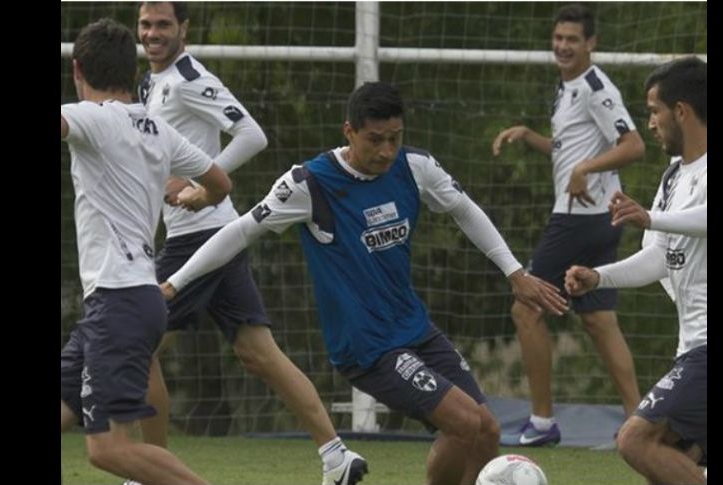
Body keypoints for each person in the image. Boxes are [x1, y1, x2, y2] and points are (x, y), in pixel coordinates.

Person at [159, 81, 569, 485]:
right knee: (464, 422)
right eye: (375, 140)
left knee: (487, 430)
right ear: (349, 131)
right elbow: (239, 232)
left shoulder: (415, 167)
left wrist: (515, 272)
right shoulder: (309, 184)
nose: (386, 151)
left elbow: (465, 210)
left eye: (395, 138)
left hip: (415, 328)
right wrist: (175, 284)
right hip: (367, 346)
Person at [135, 3, 366, 484]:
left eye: (163, 25)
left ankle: (149, 472)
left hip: (203, 235)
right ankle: (337, 457)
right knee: (258, 352)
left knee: (137, 344)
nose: (153, 33)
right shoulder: (151, 83)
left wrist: (203, 186)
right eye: (145, 25)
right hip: (207, 235)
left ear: (184, 29)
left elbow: (251, 135)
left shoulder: (190, 76)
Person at [60, 18, 233, 485]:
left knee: (108, 450)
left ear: (78, 71)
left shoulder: (92, 118)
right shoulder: (157, 127)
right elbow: (220, 182)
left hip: (119, 301)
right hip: (129, 299)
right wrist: (197, 196)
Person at [491, 3, 646, 446]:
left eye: (572, 39)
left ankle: (541, 423)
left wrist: (585, 170)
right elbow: (569, 148)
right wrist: (529, 135)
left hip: (579, 217)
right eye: (558, 38)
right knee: (598, 318)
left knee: (526, 307)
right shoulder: (567, 87)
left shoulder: (596, 85)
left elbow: (633, 145)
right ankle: (638, 423)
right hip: (598, 218)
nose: (562, 46)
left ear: (591, 43)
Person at [565, 56, 707, 484]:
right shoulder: (672, 177)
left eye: (653, 110)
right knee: (662, 461)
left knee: (636, 441)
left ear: (680, 111)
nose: (650, 122)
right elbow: (659, 257)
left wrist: (651, 218)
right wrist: (599, 276)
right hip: (693, 344)